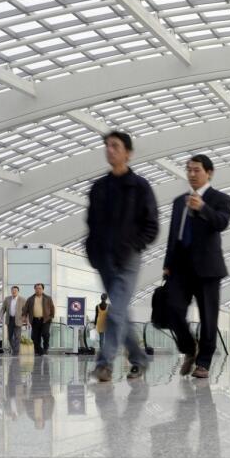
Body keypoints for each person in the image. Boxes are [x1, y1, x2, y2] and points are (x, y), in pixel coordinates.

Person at [86, 130, 159, 382]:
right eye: (107, 145)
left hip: (128, 258)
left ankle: (104, 364)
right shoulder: (99, 188)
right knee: (121, 313)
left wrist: (133, 245)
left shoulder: (140, 187)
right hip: (104, 259)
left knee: (114, 312)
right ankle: (139, 359)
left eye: (115, 146)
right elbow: (92, 225)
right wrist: (93, 252)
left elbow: (152, 226)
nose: (110, 150)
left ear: (128, 153)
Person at [162, 154, 230, 379]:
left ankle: (203, 362)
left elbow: (221, 223)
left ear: (209, 173)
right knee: (171, 308)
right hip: (180, 266)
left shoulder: (220, 199)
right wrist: (167, 263)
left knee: (208, 317)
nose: (191, 174)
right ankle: (188, 346)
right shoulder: (178, 201)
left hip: (208, 268)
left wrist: (203, 207)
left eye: (197, 170)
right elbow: (174, 234)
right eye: (189, 170)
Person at [24, 283, 54, 356]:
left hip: (45, 320)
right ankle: (38, 351)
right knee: (35, 337)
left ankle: (45, 348)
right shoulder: (30, 299)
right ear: (34, 289)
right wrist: (26, 319)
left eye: (40, 288)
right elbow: (25, 310)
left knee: (45, 333)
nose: (38, 290)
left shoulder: (48, 298)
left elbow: (52, 308)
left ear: (43, 289)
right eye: (36, 288)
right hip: (35, 320)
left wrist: (51, 317)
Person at [0, 286, 24, 356]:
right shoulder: (7, 299)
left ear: (18, 291)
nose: (14, 292)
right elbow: (3, 309)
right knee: (9, 337)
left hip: (18, 320)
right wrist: (0, 317)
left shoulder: (22, 300)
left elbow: (25, 310)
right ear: (11, 291)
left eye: (15, 290)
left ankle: (16, 352)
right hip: (10, 319)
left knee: (17, 337)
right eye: (13, 290)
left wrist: (25, 319)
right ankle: (14, 349)